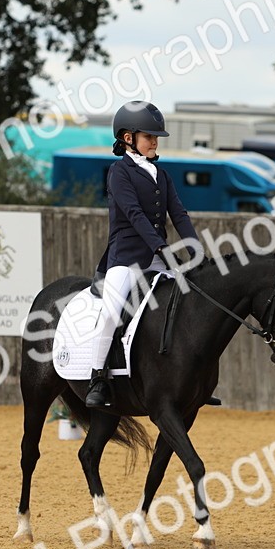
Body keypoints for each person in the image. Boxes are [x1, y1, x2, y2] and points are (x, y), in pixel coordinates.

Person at [85, 101, 202, 408]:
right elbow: (134, 215)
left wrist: (195, 246)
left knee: (186, 304)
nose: (154, 141)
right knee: (110, 313)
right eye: (149, 136)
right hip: (125, 257)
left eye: (156, 137)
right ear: (127, 138)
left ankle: (188, 379)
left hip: (157, 258)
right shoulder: (118, 173)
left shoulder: (161, 175)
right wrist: (162, 247)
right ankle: (98, 378)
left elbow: (178, 213)